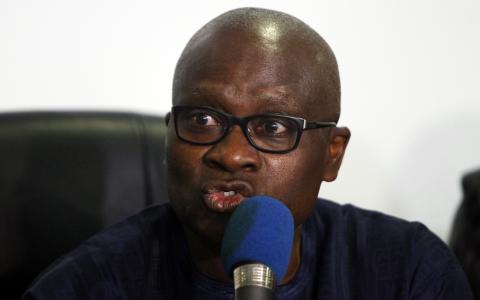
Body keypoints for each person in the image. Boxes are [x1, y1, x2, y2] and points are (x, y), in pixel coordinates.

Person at [23, 7, 473, 299]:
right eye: (202, 120)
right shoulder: (83, 287)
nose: (232, 154)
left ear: (331, 156)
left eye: (273, 127)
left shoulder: (408, 271)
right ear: (168, 138)